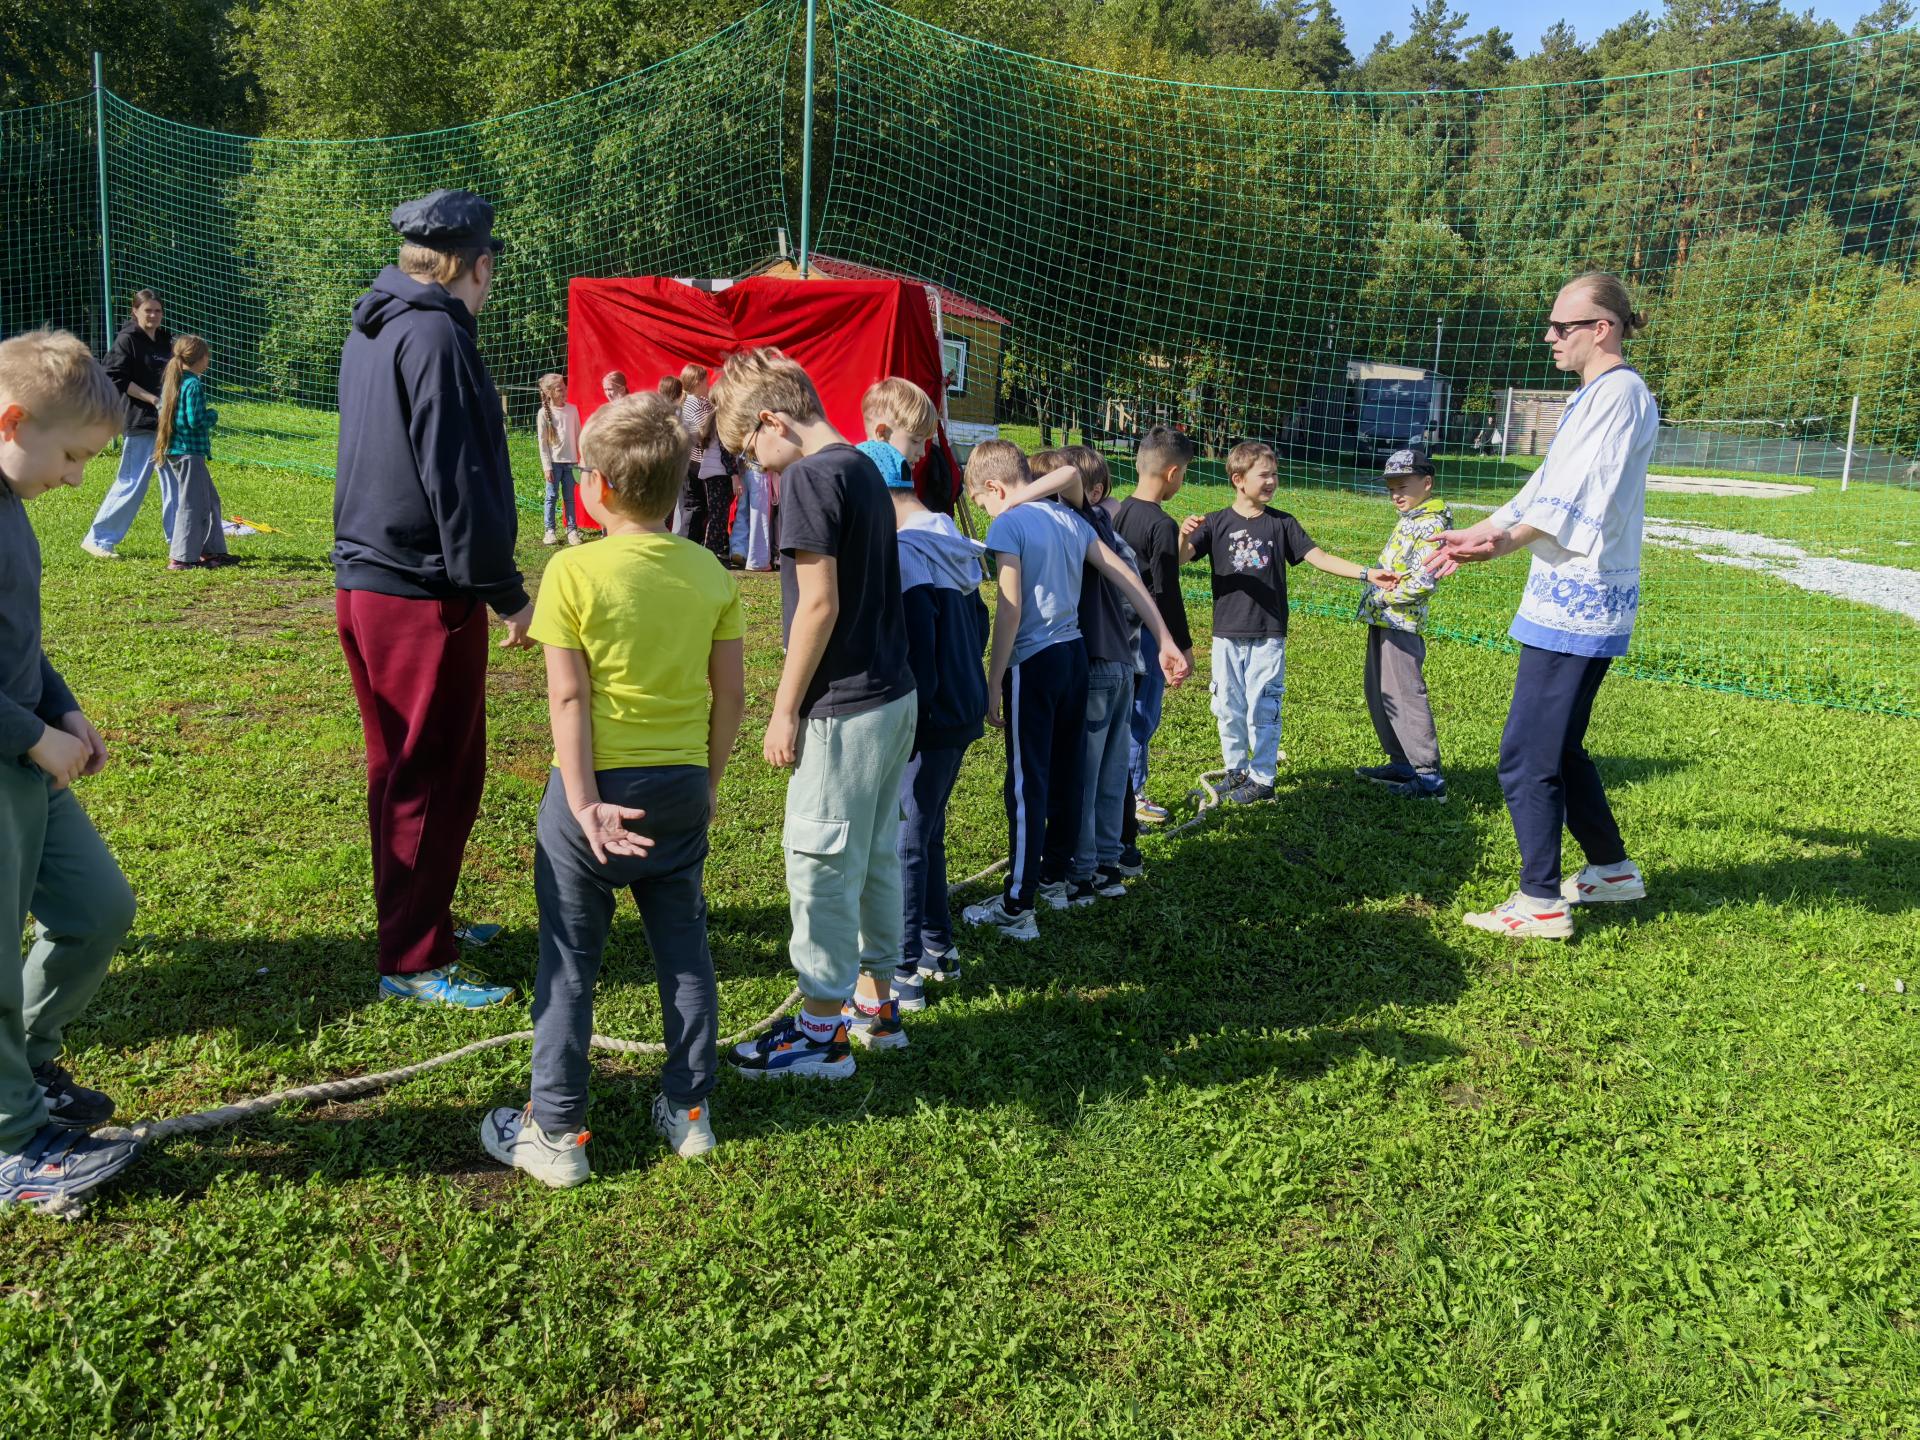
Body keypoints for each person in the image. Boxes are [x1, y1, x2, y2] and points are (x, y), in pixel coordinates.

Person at [482, 393, 746, 1188]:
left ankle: (558, 1133)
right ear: (678, 483)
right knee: (685, 953)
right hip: (679, 788)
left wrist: (584, 802)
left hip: (589, 798)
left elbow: (568, 698)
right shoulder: (709, 571)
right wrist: (707, 783)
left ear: (594, 486)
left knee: (568, 963)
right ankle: (690, 1113)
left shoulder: (571, 570)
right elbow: (731, 695)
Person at [333, 188, 532, 1007]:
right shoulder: (438, 335)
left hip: (367, 581)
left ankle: (423, 918)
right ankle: (414, 958)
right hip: (421, 590)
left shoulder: (372, 325)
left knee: (403, 768)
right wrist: (507, 592)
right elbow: (458, 478)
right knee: (434, 772)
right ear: (477, 266)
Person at [1429, 272, 1658, 940]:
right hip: (1578, 600)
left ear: (1601, 329)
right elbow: (1547, 483)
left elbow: (1582, 493)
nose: (1549, 337)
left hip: (1578, 605)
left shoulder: (1619, 394)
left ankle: (1540, 903)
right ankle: (1611, 871)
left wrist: (1503, 543)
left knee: (1526, 756)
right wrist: (1485, 527)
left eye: (1562, 326)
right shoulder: (1596, 395)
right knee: (1559, 748)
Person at [713, 348, 920, 1075]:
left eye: (751, 452)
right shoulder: (865, 466)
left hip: (842, 707)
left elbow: (819, 605)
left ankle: (819, 1032)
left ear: (773, 421)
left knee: (821, 862)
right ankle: (876, 1006)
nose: (757, 468)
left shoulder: (807, 476)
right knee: (874, 854)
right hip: (893, 696)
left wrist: (784, 709)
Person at [0, 329, 143, 1210]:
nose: (77, 479)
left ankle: (28, 1063)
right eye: (71, 457)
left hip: (29, 759)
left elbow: (18, 637)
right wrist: (28, 734)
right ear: (12, 422)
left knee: (98, 910)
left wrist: (61, 708)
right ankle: (12, 1147)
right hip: (9, 760)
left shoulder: (11, 501)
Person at [961, 442, 1189, 940]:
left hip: (1034, 664)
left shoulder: (1009, 523)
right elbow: (1128, 576)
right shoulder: (1071, 519)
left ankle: (1017, 905)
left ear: (994, 488)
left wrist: (994, 679)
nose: (986, 512)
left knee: (1026, 785)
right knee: (1067, 775)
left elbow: (1009, 609)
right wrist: (1166, 638)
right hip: (1075, 659)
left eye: (981, 502)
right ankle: (1056, 881)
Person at [859, 379, 987, 1010]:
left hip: (929, 714)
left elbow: (918, 651)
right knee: (927, 827)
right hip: (961, 705)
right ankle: (938, 944)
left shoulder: (907, 553)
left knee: (907, 834)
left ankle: (903, 965)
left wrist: (906, 720)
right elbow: (979, 623)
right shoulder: (947, 533)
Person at [1179, 441, 1394, 805]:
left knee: (1263, 706)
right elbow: (1180, 558)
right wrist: (1183, 534)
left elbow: (1320, 557)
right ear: (1238, 479)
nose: (1272, 481)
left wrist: (1367, 573)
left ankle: (1262, 779)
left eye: (1274, 474)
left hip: (1268, 634)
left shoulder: (1282, 524)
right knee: (1228, 706)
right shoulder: (1215, 523)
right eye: (1264, 475)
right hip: (1226, 635)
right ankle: (1236, 770)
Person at [1021, 446, 1141, 907]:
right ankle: (1109, 866)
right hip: (1123, 665)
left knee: (1085, 779)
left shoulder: (1074, 527)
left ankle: (1082, 873)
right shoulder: (1104, 527)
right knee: (1112, 775)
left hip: (1093, 666)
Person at [1354, 447, 1451, 802]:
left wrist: (1383, 598)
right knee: (1380, 692)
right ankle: (1402, 764)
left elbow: (1425, 580)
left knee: (1405, 695)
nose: (1396, 494)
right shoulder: (1411, 517)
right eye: (1391, 488)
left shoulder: (1432, 523)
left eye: (1403, 486)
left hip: (1401, 622)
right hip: (1384, 619)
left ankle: (1428, 778)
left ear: (1427, 483)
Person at [1113, 426, 1195, 826]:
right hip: (1147, 635)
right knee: (1142, 715)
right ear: (1173, 473)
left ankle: (1114, 792)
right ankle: (1132, 798)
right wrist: (1183, 646)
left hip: (1115, 628)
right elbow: (1166, 591)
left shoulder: (1118, 511)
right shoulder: (1162, 525)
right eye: (1185, 475)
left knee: (1120, 712)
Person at [83, 290, 175, 560]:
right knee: (132, 482)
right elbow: (113, 377)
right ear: (135, 311)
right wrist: (152, 399)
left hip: (168, 422)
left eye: (157, 310)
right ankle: (98, 539)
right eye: (148, 310)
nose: (153, 315)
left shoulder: (165, 340)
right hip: (140, 420)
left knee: (176, 483)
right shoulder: (127, 340)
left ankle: (179, 541)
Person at [154, 335, 233, 573]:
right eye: (207, 356)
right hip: (188, 453)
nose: (209, 361)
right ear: (199, 358)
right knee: (192, 505)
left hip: (181, 452)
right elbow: (194, 420)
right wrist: (212, 416)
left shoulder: (177, 381)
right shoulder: (193, 385)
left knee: (210, 500)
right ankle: (181, 557)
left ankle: (212, 550)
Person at [678, 364, 733, 562]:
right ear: (696, 382)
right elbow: (706, 431)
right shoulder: (694, 404)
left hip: (701, 461)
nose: (707, 384)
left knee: (703, 507)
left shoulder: (700, 402)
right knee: (699, 507)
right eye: (705, 381)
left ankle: (698, 546)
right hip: (698, 462)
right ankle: (691, 547)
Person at [535, 371, 584, 547]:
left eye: (564, 387)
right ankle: (550, 531)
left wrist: (581, 459)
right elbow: (542, 444)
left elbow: (578, 436)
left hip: (571, 463)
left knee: (569, 497)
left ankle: (572, 530)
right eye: (559, 389)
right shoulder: (543, 413)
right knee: (551, 496)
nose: (564, 391)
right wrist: (547, 467)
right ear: (549, 393)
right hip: (554, 464)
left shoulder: (572, 410)